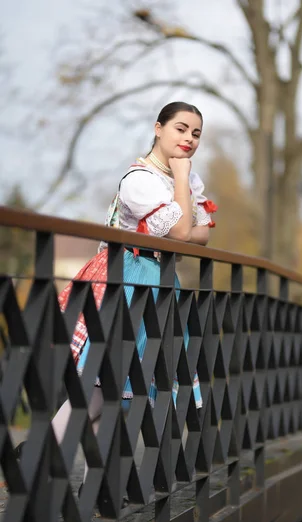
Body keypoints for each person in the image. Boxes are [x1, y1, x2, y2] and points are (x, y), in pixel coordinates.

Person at [15, 102, 217, 491]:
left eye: (195, 133)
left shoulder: (187, 181)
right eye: (180, 129)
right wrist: (181, 181)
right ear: (158, 128)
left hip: (160, 282)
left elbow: (202, 234)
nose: (188, 139)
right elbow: (180, 233)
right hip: (127, 280)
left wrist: (182, 196)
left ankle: (77, 477)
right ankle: (46, 467)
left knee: (122, 389)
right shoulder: (138, 179)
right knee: (101, 380)